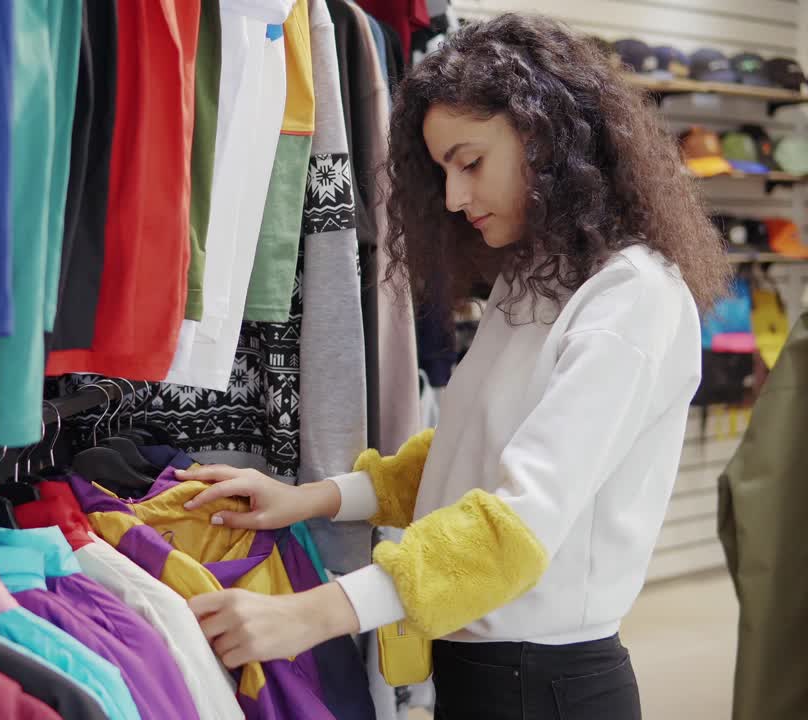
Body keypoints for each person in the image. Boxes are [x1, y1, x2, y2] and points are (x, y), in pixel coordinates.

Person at [177, 12, 731, 720]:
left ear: (548, 137)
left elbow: (513, 524)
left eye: (471, 162)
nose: (453, 198)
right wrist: (312, 498)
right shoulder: (536, 277)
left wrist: (313, 615)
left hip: (545, 688)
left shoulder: (632, 299)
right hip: (482, 671)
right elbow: (470, 455)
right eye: (443, 171)